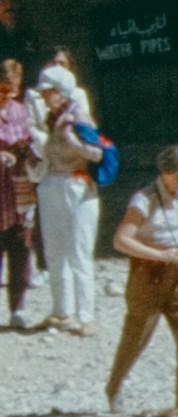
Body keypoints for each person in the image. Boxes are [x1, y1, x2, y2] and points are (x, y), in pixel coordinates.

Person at [104, 145, 178, 417]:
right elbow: (121, 240)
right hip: (148, 275)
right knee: (137, 336)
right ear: (164, 172)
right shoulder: (143, 199)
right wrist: (159, 254)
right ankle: (114, 387)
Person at [28, 69, 105, 337]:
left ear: (60, 91)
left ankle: (86, 315)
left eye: (48, 92)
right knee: (54, 251)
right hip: (52, 184)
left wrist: (73, 140)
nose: (45, 97)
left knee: (79, 252)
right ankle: (62, 310)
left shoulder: (80, 118)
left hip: (76, 185)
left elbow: (96, 154)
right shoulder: (51, 119)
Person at [0, 56, 35, 329]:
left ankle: (18, 307)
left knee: (21, 245)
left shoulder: (20, 110)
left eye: (13, 91)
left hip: (19, 184)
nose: (8, 96)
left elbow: (27, 140)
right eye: (3, 90)